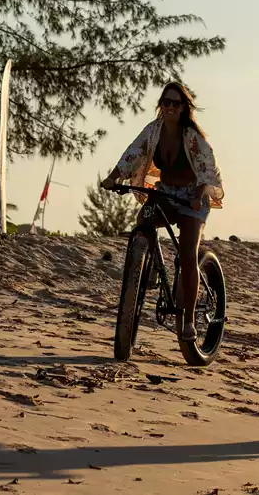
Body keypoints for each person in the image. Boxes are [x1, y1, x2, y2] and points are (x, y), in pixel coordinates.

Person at [101, 81, 224, 342]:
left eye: (175, 103)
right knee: (143, 219)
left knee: (188, 255)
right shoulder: (153, 131)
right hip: (166, 192)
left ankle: (189, 319)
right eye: (166, 102)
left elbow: (207, 168)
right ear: (161, 105)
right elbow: (132, 154)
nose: (170, 107)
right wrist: (113, 178)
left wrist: (199, 193)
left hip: (192, 197)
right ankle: (151, 265)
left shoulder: (192, 136)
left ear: (183, 108)